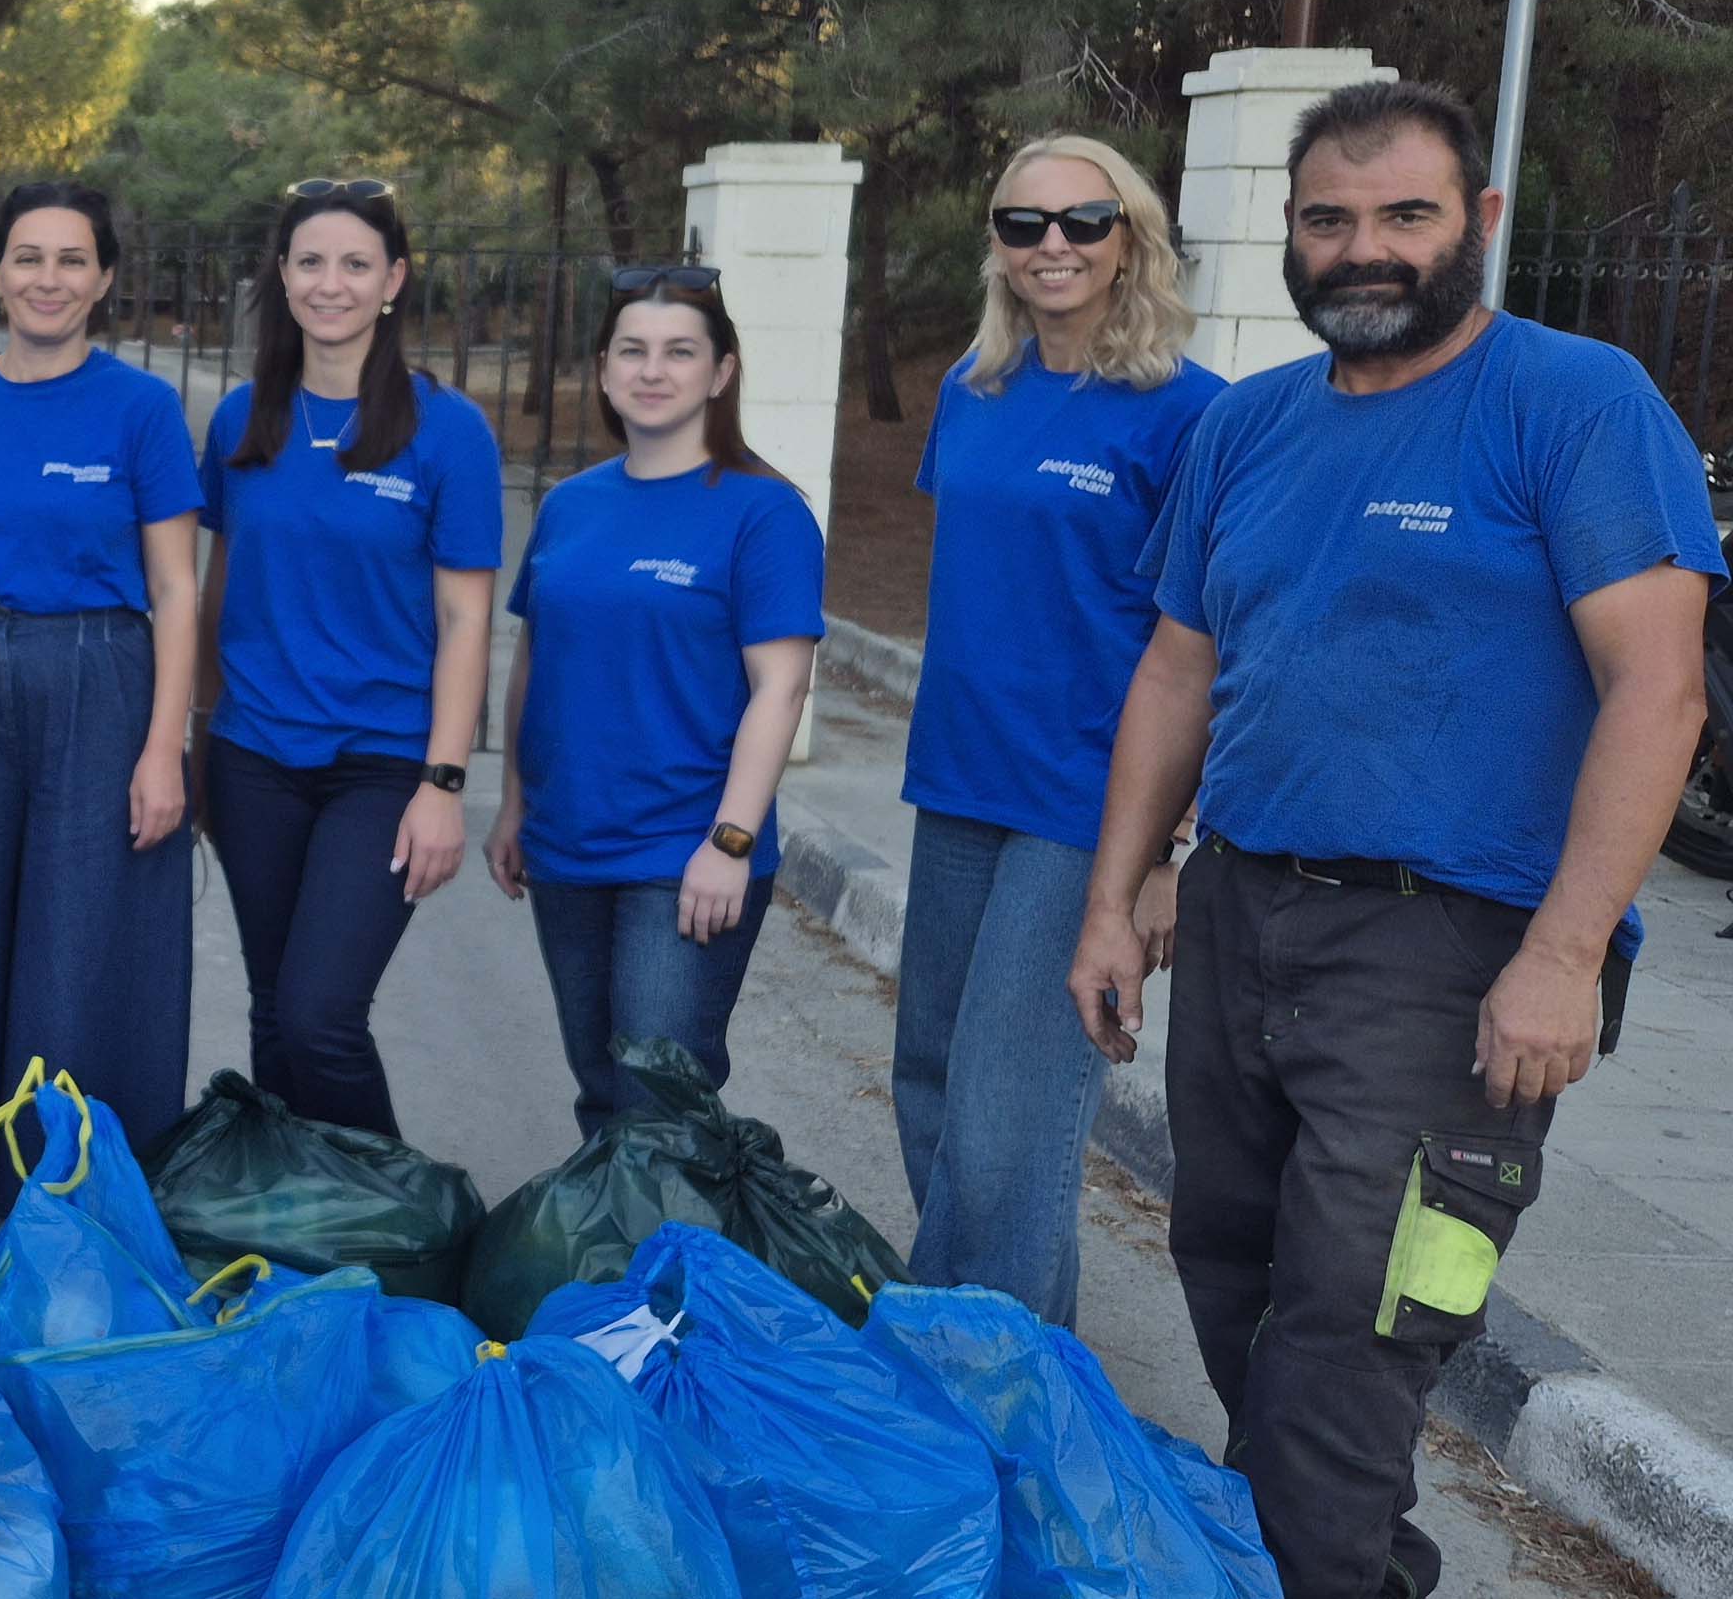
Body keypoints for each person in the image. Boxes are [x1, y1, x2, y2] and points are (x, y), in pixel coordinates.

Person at [1068, 80, 1714, 1599]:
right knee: (1229, 1273)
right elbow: (1179, 670)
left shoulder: (1577, 402)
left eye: (1404, 216)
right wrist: (1121, 897)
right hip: (1241, 919)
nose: (1366, 250)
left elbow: (1660, 687)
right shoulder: (1248, 425)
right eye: (1330, 221)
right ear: (1290, 238)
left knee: (1357, 1326)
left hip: (1457, 951)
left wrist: (1565, 953)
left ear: (1479, 224)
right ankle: (1353, 1570)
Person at [891, 135, 1222, 1327]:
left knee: (1006, 1126)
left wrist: (1173, 852)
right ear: (995, 243)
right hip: (960, 782)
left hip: (1089, 808)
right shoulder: (969, 391)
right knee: (930, 1090)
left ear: (1129, 236)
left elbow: (1217, 649)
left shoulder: (1194, 417)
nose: (1052, 246)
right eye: (1022, 223)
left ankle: (977, 1392)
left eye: (1083, 221)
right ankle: (1022, 1364)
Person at [0, 182, 200, 1219]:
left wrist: (162, 749)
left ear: (103, 279)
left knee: (73, 952)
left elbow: (174, 588)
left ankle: (65, 1203)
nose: (47, 279)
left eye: (70, 260)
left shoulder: (141, 410)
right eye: (27, 257)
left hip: (98, 680)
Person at [194, 179, 503, 1138]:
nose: (331, 283)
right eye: (311, 261)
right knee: (273, 1012)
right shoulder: (241, 420)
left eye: (355, 264)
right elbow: (217, 586)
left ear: (393, 281)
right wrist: (197, 741)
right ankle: (301, 1233)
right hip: (251, 758)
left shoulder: (447, 430)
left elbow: (465, 620)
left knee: (322, 1015)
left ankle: (399, 1218)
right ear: (282, 277)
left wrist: (443, 783)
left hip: (380, 765)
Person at [485, 270, 822, 1137]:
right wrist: (514, 807)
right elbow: (534, 659)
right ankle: (625, 1268)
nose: (653, 370)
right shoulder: (569, 506)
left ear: (720, 373)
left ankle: (681, 1268)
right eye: (632, 350)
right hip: (567, 842)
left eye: (680, 352)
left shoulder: (764, 512)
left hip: (684, 848)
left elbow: (780, 687)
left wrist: (731, 842)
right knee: (601, 1087)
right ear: (602, 371)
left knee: (660, 1094)